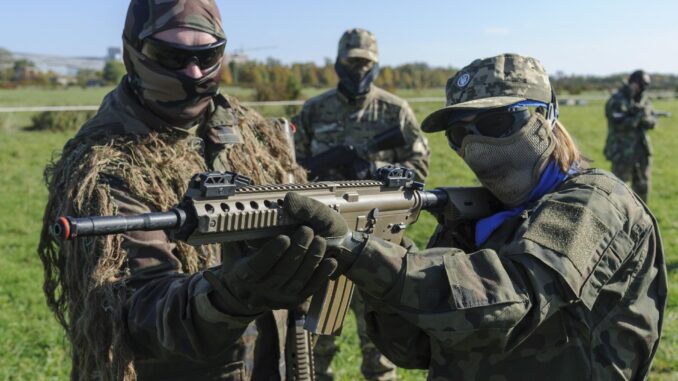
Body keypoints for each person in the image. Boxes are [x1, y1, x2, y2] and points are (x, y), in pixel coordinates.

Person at [281, 54, 667, 380]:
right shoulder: (479, 217)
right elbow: (417, 348)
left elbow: (508, 301)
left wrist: (363, 252)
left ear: (545, 117)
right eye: (458, 133)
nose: (473, 144)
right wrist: (381, 253)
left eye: (496, 123)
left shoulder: (596, 202)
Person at [38, 1, 337, 380]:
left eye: (207, 55)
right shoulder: (103, 164)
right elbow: (136, 316)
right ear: (133, 53)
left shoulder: (254, 134)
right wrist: (227, 296)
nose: (194, 72)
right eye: (171, 56)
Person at [292, 28, 430, 381]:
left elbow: (419, 167)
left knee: (380, 344)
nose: (357, 70)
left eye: (364, 63)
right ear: (338, 62)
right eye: (352, 62)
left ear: (376, 65)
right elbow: (292, 169)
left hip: (380, 238)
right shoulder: (314, 109)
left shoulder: (394, 111)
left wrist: (375, 170)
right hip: (322, 239)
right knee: (315, 339)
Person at [604, 70, 656, 202]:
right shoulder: (617, 99)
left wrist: (645, 118)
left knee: (642, 187)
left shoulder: (644, 99)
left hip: (641, 151)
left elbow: (652, 121)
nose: (642, 88)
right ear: (632, 82)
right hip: (622, 152)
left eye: (645, 85)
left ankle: (641, 220)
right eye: (640, 84)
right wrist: (636, 117)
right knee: (618, 190)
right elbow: (618, 124)